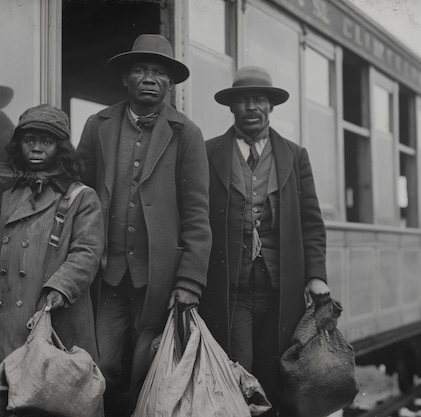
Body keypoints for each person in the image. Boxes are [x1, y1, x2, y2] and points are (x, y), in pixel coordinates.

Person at [77, 34, 211, 417]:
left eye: (158, 72)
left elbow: (198, 215)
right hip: (109, 277)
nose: (149, 78)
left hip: (160, 281)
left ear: (169, 82)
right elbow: (79, 194)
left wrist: (189, 282)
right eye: (140, 70)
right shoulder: (97, 125)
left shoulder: (187, 134)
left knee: (150, 374)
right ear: (125, 79)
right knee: (98, 367)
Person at [200, 66, 330, 416]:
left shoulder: (294, 155)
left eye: (259, 100)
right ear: (232, 108)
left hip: (279, 286)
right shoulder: (208, 152)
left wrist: (315, 275)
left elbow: (311, 223)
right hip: (231, 286)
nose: (252, 107)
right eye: (243, 100)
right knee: (237, 366)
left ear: (270, 106)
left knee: (277, 371)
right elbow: (195, 220)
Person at [0, 104, 105, 417]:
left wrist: (59, 289)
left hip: (53, 315)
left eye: (46, 142)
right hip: (6, 323)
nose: (36, 148)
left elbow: (87, 251)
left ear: (60, 148)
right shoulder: (10, 196)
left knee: (52, 400)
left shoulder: (80, 196)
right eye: (29, 140)